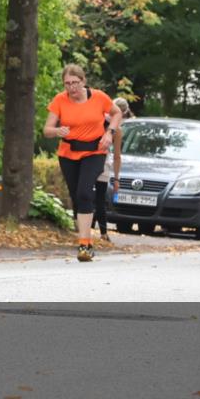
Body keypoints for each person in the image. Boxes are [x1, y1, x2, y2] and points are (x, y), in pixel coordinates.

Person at [43, 64, 123, 262]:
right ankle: (87, 242)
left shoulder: (99, 97)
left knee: (84, 192)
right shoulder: (59, 100)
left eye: (75, 83)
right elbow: (47, 129)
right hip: (68, 153)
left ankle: (84, 244)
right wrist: (56, 131)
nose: (71, 88)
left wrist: (109, 133)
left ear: (83, 81)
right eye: (67, 84)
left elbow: (117, 113)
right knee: (76, 197)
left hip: (95, 151)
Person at [92, 110, 123, 242]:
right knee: (100, 199)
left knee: (84, 195)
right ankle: (103, 233)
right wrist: (116, 178)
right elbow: (117, 156)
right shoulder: (117, 130)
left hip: (84, 160)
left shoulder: (94, 118)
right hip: (102, 164)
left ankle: (82, 228)